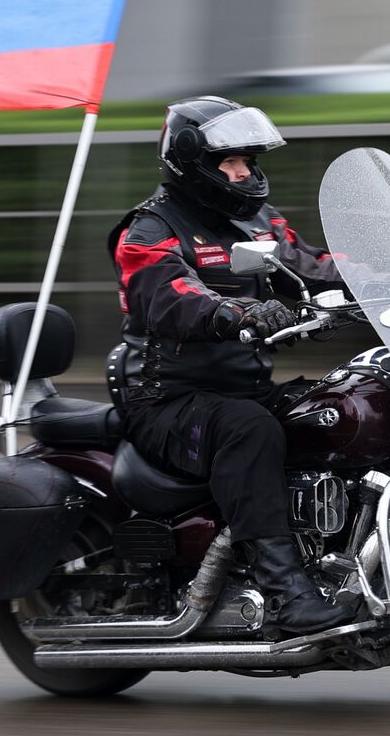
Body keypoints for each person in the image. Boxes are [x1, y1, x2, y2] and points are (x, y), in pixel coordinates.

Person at [106, 96, 354, 635]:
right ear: (193, 164)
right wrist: (235, 310)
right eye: (231, 163)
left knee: (346, 405)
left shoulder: (260, 223)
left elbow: (314, 267)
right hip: (167, 402)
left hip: (241, 389)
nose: (245, 173)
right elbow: (172, 297)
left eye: (249, 161)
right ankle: (287, 595)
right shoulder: (149, 232)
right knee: (251, 431)